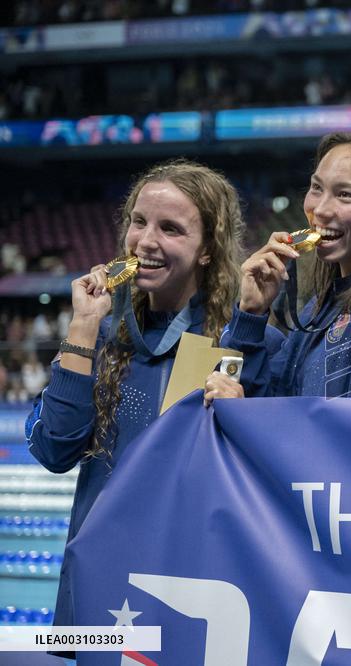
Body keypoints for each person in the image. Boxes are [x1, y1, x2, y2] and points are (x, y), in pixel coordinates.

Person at [25, 160, 245, 640]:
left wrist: (243, 415)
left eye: (170, 229)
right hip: (100, 576)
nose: (146, 240)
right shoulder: (102, 331)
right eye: (138, 221)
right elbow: (54, 449)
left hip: (186, 583)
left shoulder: (240, 343)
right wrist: (83, 325)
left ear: (207, 249)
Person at [208, 133, 351, 401]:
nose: (320, 210)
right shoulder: (320, 305)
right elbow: (269, 400)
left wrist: (249, 418)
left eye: (345, 195)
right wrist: (251, 314)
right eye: (316, 188)